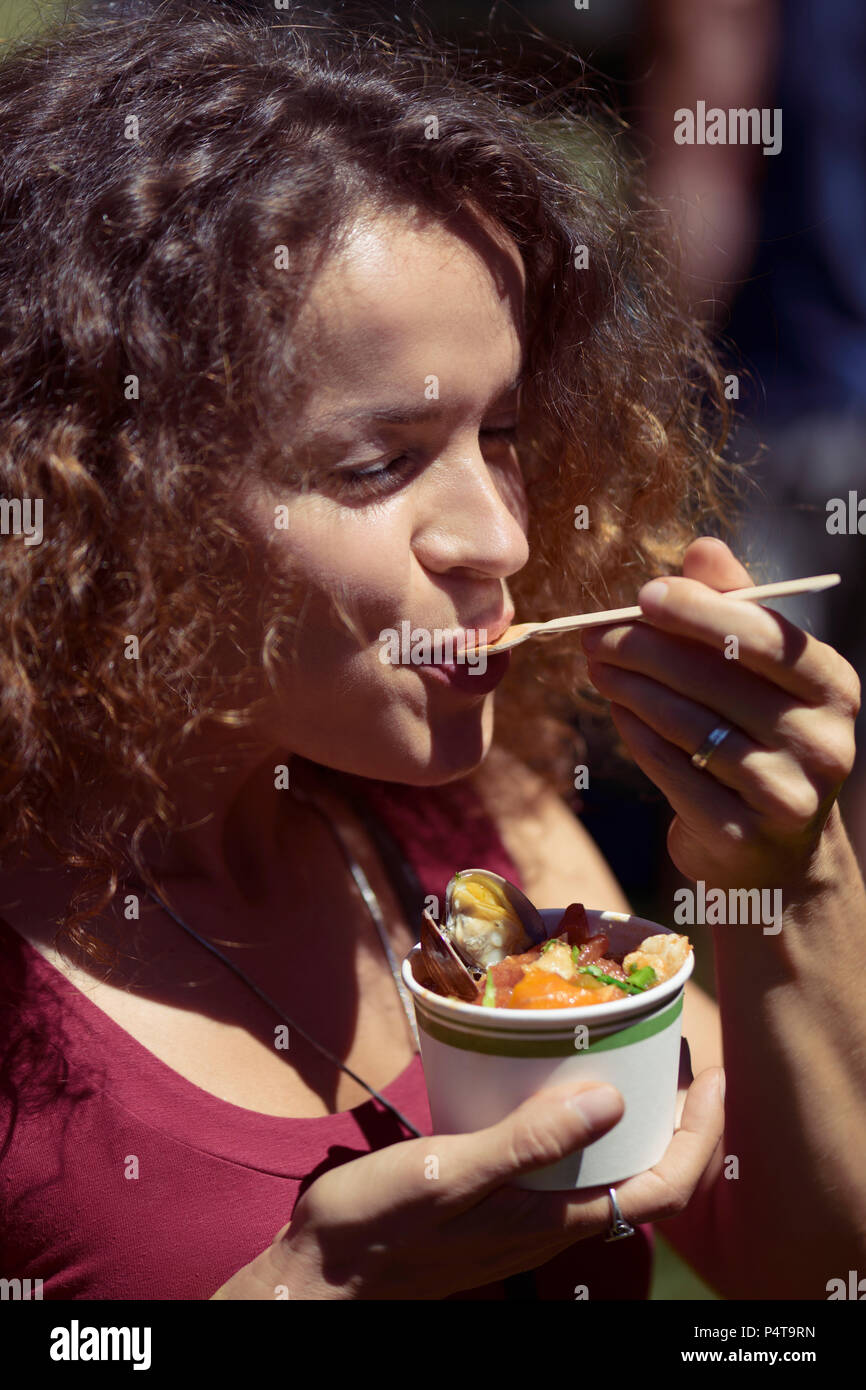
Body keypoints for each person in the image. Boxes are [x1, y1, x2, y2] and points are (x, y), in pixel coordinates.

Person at [0, 1, 863, 1301]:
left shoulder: (480, 827)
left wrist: (790, 873)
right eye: (378, 461)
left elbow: (806, 1271)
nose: (497, 537)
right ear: (109, 497)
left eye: (502, 433)